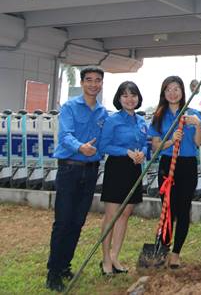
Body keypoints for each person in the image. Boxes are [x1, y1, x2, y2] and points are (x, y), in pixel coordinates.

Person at [46, 66, 108, 292]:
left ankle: (65, 266)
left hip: (90, 172)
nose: (93, 84)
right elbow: (65, 136)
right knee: (63, 221)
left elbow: (106, 141)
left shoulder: (103, 113)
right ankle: (53, 273)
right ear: (82, 83)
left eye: (97, 80)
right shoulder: (70, 107)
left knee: (78, 221)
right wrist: (81, 147)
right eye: (89, 80)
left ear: (101, 84)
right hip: (69, 170)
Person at [148, 76, 201, 269]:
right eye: (168, 90)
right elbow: (155, 147)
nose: (172, 93)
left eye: (176, 89)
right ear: (163, 93)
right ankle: (162, 248)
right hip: (167, 165)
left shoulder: (193, 114)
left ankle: (176, 253)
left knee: (183, 210)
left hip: (188, 165)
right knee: (167, 209)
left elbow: (198, 143)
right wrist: (172, 140)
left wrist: (197, 125)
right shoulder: (159, 116)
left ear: (182, 91)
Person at [98, 81, 147, 275]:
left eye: (133, 95)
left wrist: (142, 153)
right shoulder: (113, 120)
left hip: (134, 170)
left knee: (125, 214)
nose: (130, 99)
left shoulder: (141, 121)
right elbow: (103, 146)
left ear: (138, 98)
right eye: (125, 95)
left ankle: (115, 257)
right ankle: (105, 260)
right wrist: (125, 152)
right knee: (111, 215)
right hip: (116, 169)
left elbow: (145, 144)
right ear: (119, 99)